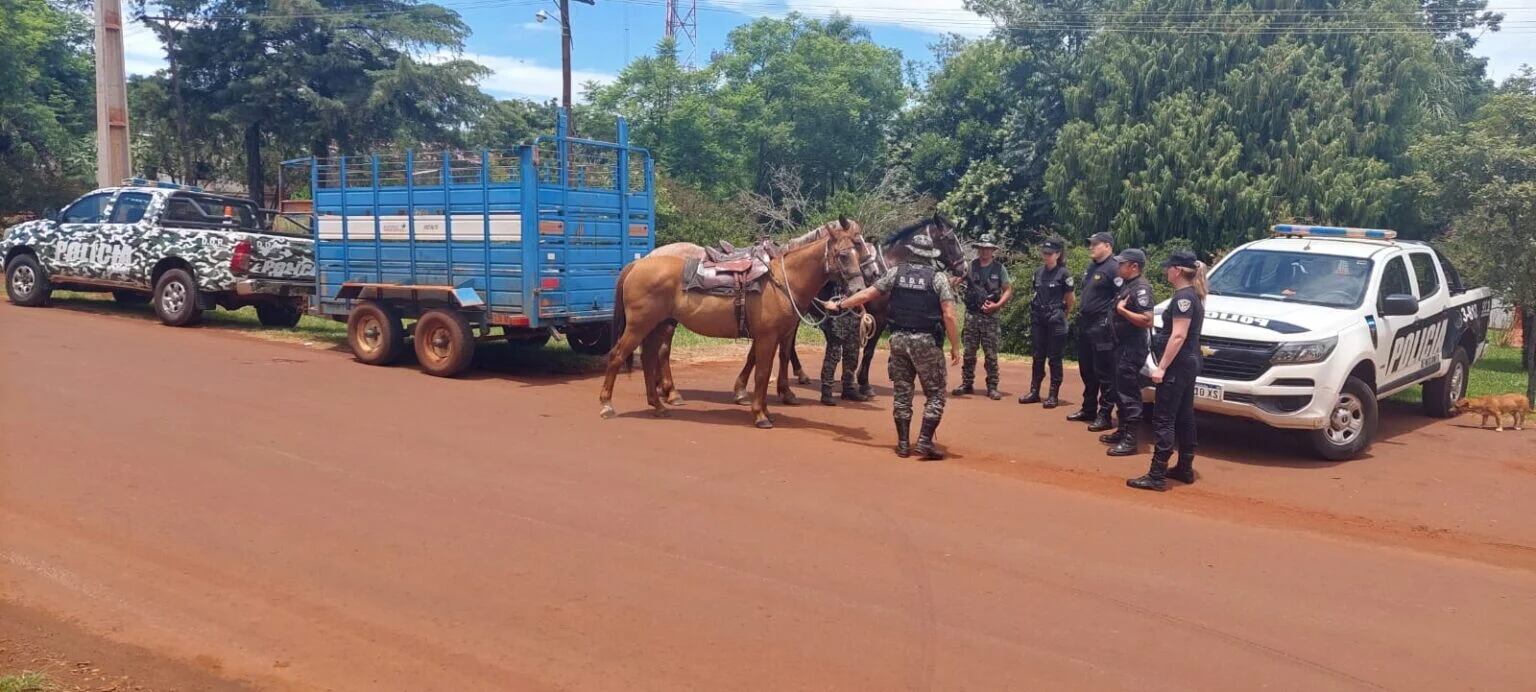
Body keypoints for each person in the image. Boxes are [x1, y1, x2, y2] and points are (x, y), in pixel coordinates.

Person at [825, 233, 961, 460]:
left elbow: (867, 294)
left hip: (898, 341)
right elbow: (949, 314)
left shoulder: (895, 273)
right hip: (927, 342)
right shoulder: (938, 279)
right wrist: (955, 345)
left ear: (911, 253)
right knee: (936, 394)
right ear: (930, 256)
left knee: (902, 393)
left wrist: (839, 304)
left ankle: (903, 444)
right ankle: (925, 442)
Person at [1129, 249, 1207, 491]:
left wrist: (1161, 367)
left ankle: (1156, 474)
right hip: (1188, 363)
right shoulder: (1193, 295)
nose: (1166, 271)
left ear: (1178, 270)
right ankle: (1184, 467)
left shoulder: (1184, 298)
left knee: (1163, 418)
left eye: (1169, 267)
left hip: (1177, 365)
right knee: (1184, 415)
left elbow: (1179, 335)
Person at [1103, 248, 1155, 457]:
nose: (1118, 266)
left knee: (1129, 392)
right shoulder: (1127, 285)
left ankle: (1131, 439)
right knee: (1118, 389)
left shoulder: (1141, 288)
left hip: (1132, 348)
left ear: (1134, 266)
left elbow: (1147, 319)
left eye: (1122, 263)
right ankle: (1123, 430)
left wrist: (1123, 311)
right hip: (1120, 345)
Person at [1070, 232, 1121, 433]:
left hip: (1102, 327)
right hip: (1086, 325)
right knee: (1087, 370)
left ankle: (1105, 414)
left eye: (1095, 244)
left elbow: (1120, 296)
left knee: (1104, 372)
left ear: (1107, 246)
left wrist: (1110, 319)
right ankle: (1088, 408)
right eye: (1090, 244)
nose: (1091, 247)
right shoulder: (1092, 266)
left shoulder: (1114, 267)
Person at [954, 233, 1013, 400]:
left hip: (990, 317)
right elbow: (957, 279)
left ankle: (992, 386)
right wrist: (953, 282)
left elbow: (1008, 289)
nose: (984, 251)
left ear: (992, 250)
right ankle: (967, 383)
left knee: (991, 354)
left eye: (987, 249)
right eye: (982, 248)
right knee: (969, 353)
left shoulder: (999, 269)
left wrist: (998, 305)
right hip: (972, 315)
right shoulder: (971, 266)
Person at [1019, 237, 1074, 407]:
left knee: (1054, 358)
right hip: (1038, 318)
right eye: (1044, 253)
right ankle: (1034, 391)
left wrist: (1063, 314)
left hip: (1055, 318)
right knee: (1037, 356)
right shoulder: (1038, 272)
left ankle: (1053, 395)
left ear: (1058, 254)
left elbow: (1070, 299)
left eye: (1050, 253)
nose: (1047, 256)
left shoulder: (1063, 273)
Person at [815, 282, 867, 405]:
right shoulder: (833, 273)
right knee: (833, 354)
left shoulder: (854, 273)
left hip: (853, 315)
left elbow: (857, 291)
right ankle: (826, 390)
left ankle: (848, 388)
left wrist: (862, 308)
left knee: (852, 354)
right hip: (836, 316)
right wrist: (826, 304)